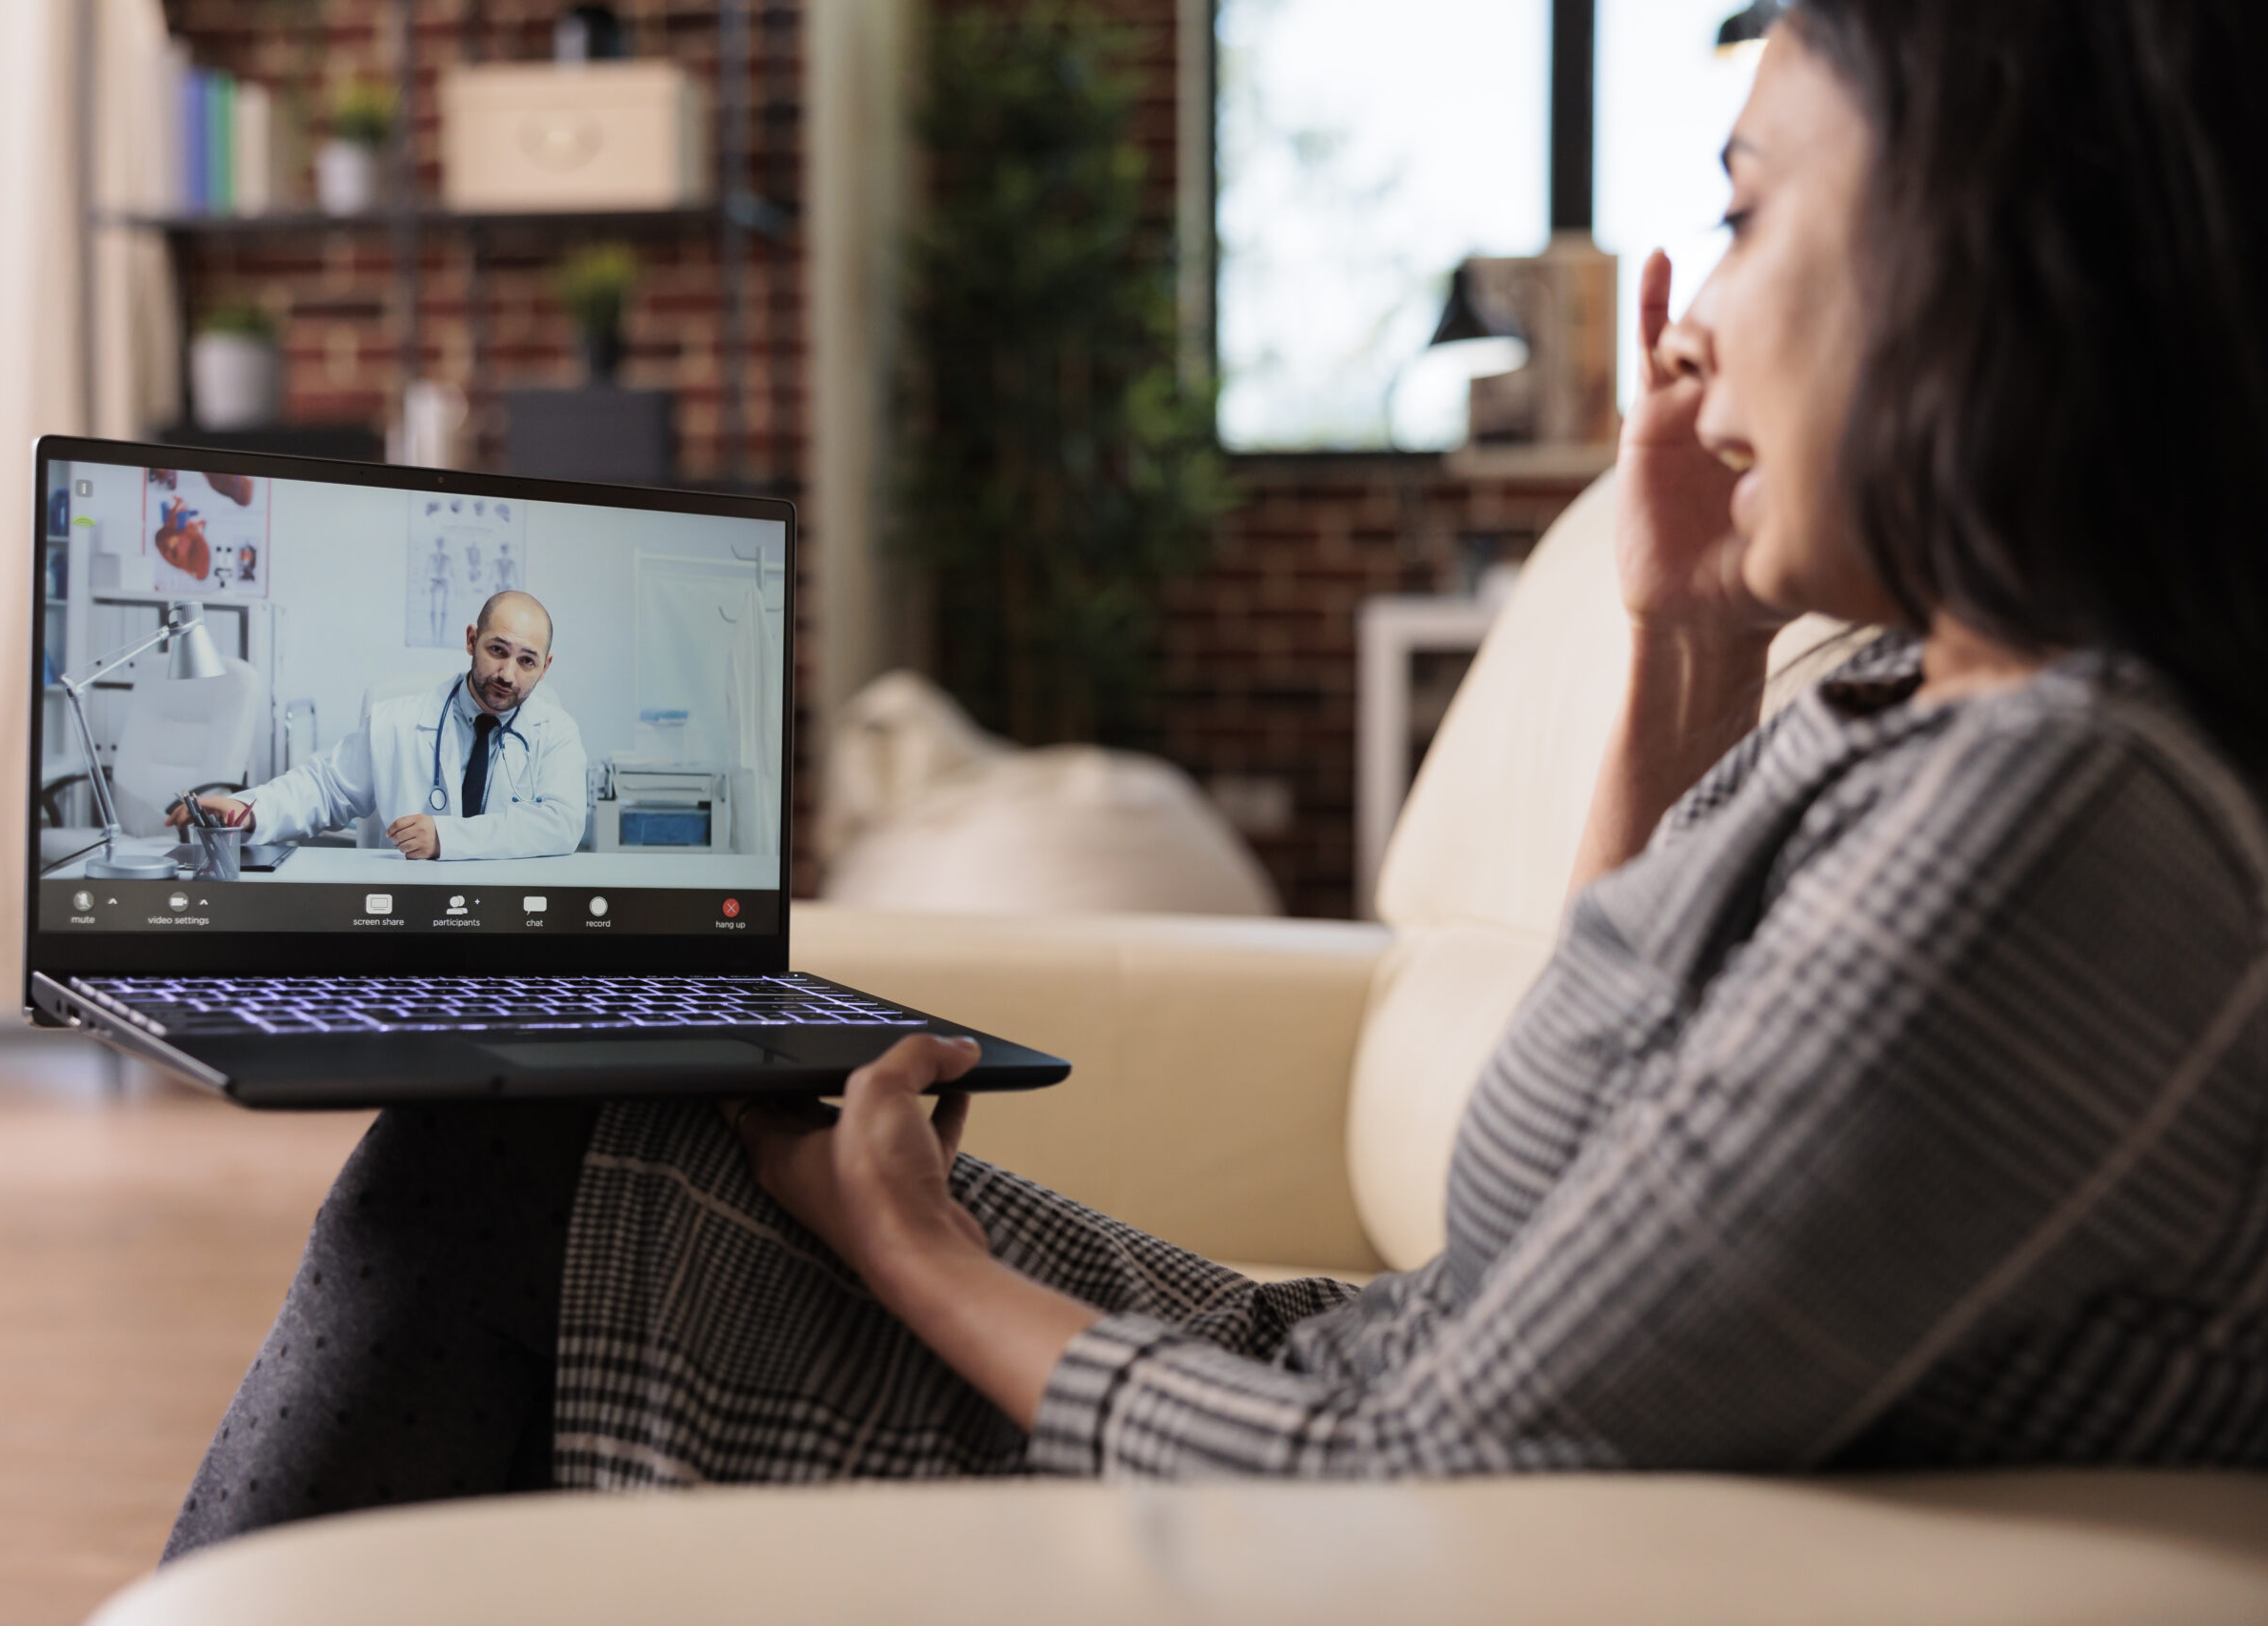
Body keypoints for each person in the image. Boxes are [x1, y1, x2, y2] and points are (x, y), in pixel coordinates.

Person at [166, 0, 2268, 1556]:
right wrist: (1685, 653)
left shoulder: (2061, 822)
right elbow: (1556, 1181)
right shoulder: (1905, 700)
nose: (1687, 325)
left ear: (1985, 254)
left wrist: (916, 1242)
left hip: (1320, 1486)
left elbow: (1414, 1475)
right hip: (1315, 1367)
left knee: (506, 1179)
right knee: (563, 1116)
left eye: (1737, 216)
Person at [169, 590, 588, 861]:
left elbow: (561, 824)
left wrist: (447, 837)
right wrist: (249, 808)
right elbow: (325, 789)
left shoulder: (557, 732)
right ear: (470, 640)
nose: (508, 674)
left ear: (545, 666)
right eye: (497, 650)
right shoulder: (396, 722)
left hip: (514, 921)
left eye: (527, 660)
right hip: (405, 916)